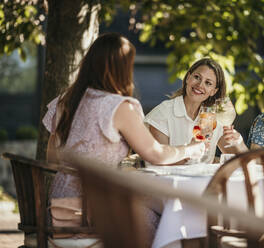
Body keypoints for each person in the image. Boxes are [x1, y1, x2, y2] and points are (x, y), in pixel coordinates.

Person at [42, 33, 205, 247]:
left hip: (58, 210)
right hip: (93, 214)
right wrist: (190, 149)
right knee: (174, 228)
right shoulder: (119, 106)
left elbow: (52, 158)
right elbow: (155, 154)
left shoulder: (65, 99)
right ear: (121, 68)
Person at [144, 58, 235, 164]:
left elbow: (237, 157)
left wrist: (238, 142)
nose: (200, 85)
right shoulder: (163, 113)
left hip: (203, 179)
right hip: (166, 179)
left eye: (208, 83)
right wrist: (190, 151)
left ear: (213, 91)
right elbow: (160, 161)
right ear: (188, 78)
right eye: (197, 77)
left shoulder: (210, 117)